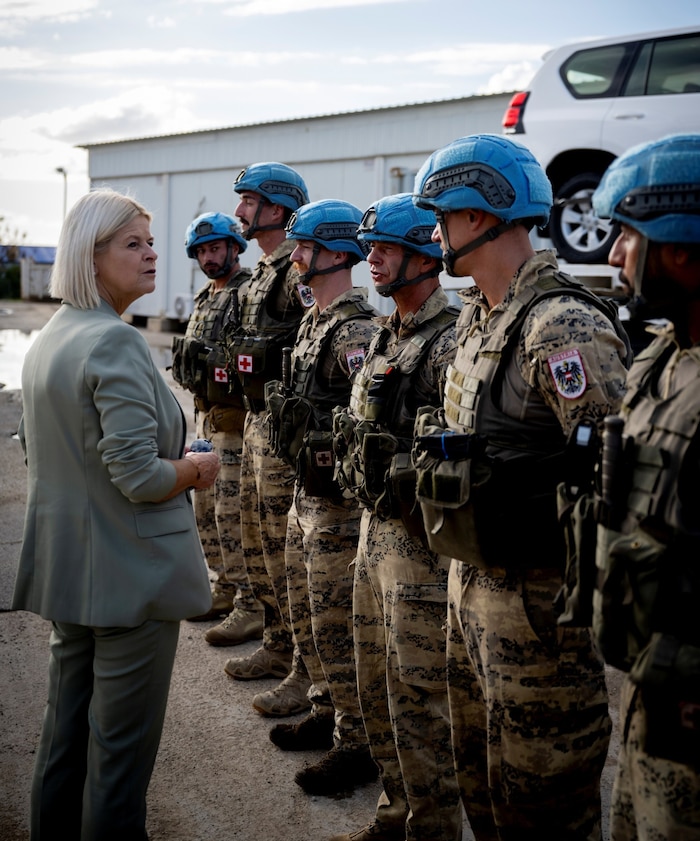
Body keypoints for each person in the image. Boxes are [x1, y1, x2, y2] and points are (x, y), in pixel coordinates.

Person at [411, 134, 631, 840]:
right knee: (484, 786)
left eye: (441, 215)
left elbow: (616, 483)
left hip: (542, 616)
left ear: (479, 214)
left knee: (547, 805)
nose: (435, 231)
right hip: (469, 591)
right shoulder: (478, 318)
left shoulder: (561, 324)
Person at [12, 188, 220, 841]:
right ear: (91, 255)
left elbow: (43, 447)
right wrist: (194, 468)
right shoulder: (115, 342)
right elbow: (138, 477)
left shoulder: (50, 338)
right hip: (129, 578)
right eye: (133, 243)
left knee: (63, 736)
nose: (152, 253)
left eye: (150, 241)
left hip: (70, 572)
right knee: (119, 762)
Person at [330, 193, 462, 841]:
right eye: (368, 246)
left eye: (384, 247)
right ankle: (395, 810)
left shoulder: (448, 341)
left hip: (422, 552)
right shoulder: (388, 331)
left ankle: (432, 825)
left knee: (420, 698)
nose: (371, 258)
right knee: (375, 682)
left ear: (423, 253)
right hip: (372, 535)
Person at [590, 133, 700, 840]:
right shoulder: (662, 355)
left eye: (626, 234)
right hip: (647, 688)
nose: (611, 254)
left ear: (681, 246)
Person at [264, 198, 381, 795]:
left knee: (339, 626)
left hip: (338, 510)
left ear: (337, 252)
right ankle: (326, 710)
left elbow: (368, 423)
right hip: (304, 502)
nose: (295, 256)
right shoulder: (315, 320)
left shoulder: (357, 331)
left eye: (304, 246)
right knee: (309, 616)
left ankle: (356, 744)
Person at [222, 162, 315, 718]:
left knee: (288, 556)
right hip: (255, 421)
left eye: (249, 201)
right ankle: (278, 646)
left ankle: (306, 669)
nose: (239, 212)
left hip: (282, 431)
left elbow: (310, 347)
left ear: (277, 210)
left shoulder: (295, 273)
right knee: (259, 542)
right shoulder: (261, 271)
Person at [171, 212, 264, 644]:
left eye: (215, 248)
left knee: (232, 518)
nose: (209, 258)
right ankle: (224, 589)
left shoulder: (247, 293)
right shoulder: (204, 298)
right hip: (207, 420)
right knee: (205, 514)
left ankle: (250, 604)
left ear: (233, 247)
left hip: (236, 425)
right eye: (202, 252)